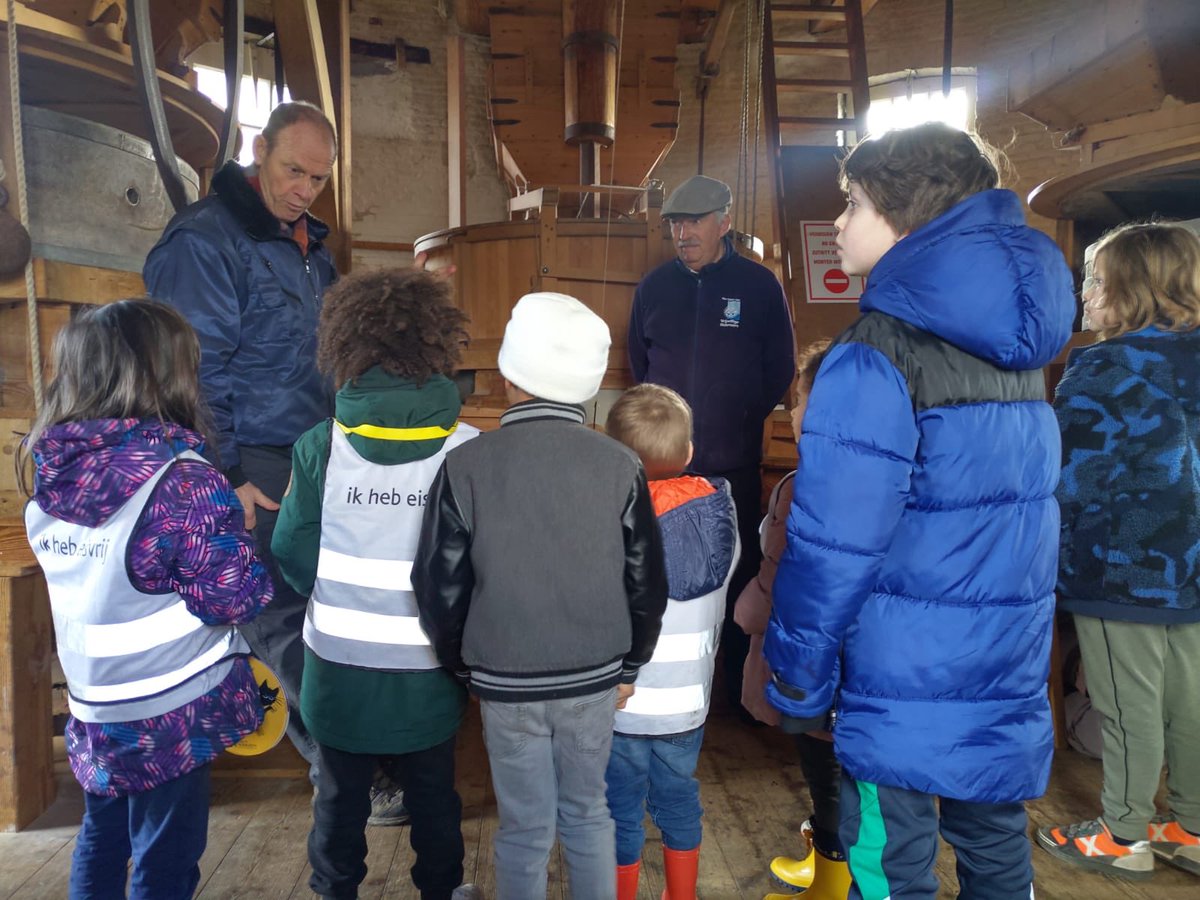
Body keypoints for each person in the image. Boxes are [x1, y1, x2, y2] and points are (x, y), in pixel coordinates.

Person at [763, 122, 1075, 898]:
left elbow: (834, 544)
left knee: (888, 859)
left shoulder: (876, 352)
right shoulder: (1019, 351)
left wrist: (797, 675)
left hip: (897, 668)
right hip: (1002, 653)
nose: (838, 224)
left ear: (904, 215)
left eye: (853, 203)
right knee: (993, 842)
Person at [143, 101, 405, 823]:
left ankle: (358, 753)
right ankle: (345, 775)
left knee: (324, 611)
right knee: (279, 616)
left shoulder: (309, 246)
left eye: (318, 179)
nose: (303, 190)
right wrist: (225, 474)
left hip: (310, 453)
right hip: (250, 462)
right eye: (293, 171)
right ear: (259, 151)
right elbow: (190, 371)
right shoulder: (204, 241)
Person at [412, 292, 669, 900]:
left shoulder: (464, 465)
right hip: (595, 676)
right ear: (587, 387)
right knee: (588, 814)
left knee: (524, 827)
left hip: (504, 676)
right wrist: (632, 665)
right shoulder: (621, 464)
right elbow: (646, 580)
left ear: (509, 377)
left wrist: (463, 665)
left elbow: (438, 585)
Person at [21, 299, 273, 899]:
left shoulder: (50, 473)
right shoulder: (184, 481)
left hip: (94, 707)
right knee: (166, 858)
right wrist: (236, 538)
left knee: (101, 836)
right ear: (167, 374)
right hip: (171, 714)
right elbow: (233, 600)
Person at [271, 269, 483, 900]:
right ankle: (441, 891)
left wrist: (333, 592)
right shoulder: (467, 449)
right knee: (434, 795)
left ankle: (334, 891)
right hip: (430, 669)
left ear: (348, 346)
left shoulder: (320, 446)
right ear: (438, 344)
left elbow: (290, 548)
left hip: (337, 668)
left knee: (339, 800)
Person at [1036, 221, 1200, 881]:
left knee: (1127, 702)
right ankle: (1189, 827)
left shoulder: (1104, 365)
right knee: (1190, 698)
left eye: (1096, 280)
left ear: (1131, 290)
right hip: (1193, 564)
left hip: (1121, 565)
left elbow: (1067, 477)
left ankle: (1123, 833)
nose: (1085, 292)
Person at [628, 174, 796, 712]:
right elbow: (639, 365)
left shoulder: (760, 286)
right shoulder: (654, 287)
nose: (683, 234)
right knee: (654, 567)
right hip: (661, 469)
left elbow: (780, 367)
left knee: (737, 571)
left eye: (694, 222)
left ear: (724, 222)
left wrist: (741, 417)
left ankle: (731, 693)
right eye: (676, 224)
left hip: (731, 464)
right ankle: (651, 677)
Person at [602, 384, 739, 900]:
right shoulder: (722, 522)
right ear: (689, 452)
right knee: (679, 801)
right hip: (687, 705)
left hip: (622, 704)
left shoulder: (607, 525)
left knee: (620, 810)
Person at [734, 339, 850, 900]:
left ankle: (833, 878)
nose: (791, 412)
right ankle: (834, 864)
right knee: (847, 774)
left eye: (798, 400)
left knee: (825, 769)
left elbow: (778, 579)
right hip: (860, 661)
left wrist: (745, 612)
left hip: (812, 662)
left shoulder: (803, 487)